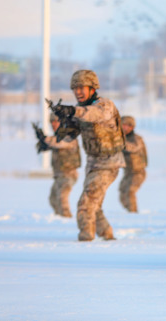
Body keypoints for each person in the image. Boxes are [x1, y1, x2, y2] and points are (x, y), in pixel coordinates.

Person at [50, 69, 125, 241]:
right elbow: (68, 136)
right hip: (93, 164)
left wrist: (72, 112)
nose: (77, 92)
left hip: (109, 163)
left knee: (86, 203)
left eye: (81, 88)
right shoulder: (80, 109)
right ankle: (107, 235)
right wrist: (64, 122)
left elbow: (94, 114)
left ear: (92, 88)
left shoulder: (104, 105)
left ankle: (85, 241)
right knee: (94, 204)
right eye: (75, 89)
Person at [34, 113, 82, 217]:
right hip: (59, 175)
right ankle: (60, 219)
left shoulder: (69, 136)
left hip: (69, 175)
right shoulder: (56, 138)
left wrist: (45, 139)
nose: (54, 124)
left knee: (62, 197)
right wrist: (42, 143)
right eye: (52, 122)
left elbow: (58, 143)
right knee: (53, 199)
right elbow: (51, 144)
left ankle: (66, 219)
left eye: (56, 121)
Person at [118, 115, 148, 213]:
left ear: (132, 127)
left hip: (138, 172)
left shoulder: (137, 139)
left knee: (130, 191)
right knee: (122, 193)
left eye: (127, 125)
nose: (124, 127)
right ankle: (130, 212)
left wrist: (120, 143)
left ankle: (133, 214)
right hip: (128, 172)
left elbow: (134, 147)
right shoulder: (120, 139)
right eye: (123, 125)